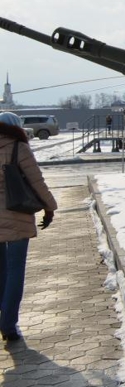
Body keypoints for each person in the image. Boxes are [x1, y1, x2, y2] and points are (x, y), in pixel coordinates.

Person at [0, 111, 57, 342]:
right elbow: (36, 180)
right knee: (15, 272)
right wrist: (50, 207)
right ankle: (8, 325)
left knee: (1, 271)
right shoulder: (18, 148)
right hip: (17, 217)